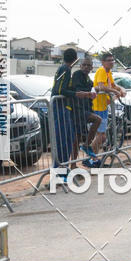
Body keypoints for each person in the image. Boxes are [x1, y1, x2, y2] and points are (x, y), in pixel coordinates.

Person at [51, 48, 91, 178]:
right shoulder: (65, 69)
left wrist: (80, 92)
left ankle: (64, 167)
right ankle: (59, 169)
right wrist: (77, 94)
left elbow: (64, 88)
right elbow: (59, 90)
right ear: (75, 60)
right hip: (60, 107)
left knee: (69, 138)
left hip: (65, 108)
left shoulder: (65, 69)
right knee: (63, 139)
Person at [87, 52, 125, 155]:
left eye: (112, 60)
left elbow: (113, 85)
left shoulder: (108, 72)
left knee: (102, 136)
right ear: (103, 62)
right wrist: (115, 91)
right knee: (101, 136)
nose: (111, 62)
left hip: (103, 107)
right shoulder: (101, 71)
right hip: (97, 106)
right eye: (109, 60)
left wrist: (121, 89)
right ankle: (91, 155)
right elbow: (101, 87)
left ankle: (93, 156)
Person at [71, 58, 98, 161]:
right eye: (84, 65)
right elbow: (78, 91)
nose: (86, 67)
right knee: (76, 140)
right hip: (77, 110)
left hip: (85, 109)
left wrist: (94, 92)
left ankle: (86, 145)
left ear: (91, 67)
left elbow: (91, 91)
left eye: (88, 65)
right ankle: (73, 164)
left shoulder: (89, 80)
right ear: (80, 66)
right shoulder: (77, 75)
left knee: (78, 138)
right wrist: (88, 94)